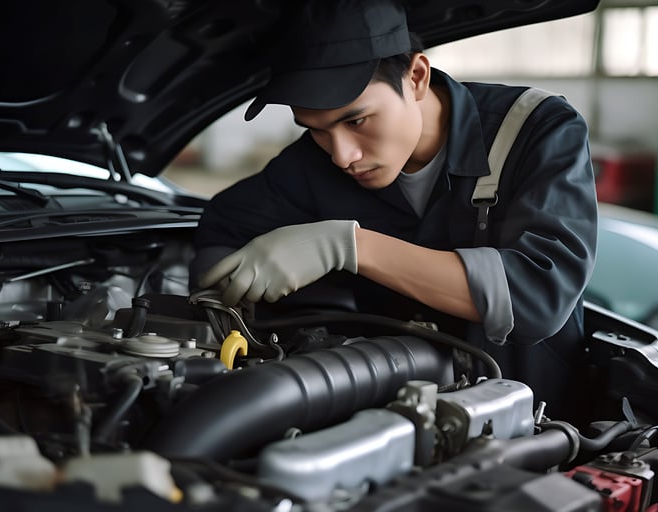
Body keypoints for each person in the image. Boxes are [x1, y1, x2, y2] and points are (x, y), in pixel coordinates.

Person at [192, 0, 597, 421]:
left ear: (416, 77)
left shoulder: (535, 131)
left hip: (533, 427)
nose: (341, 156)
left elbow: (537, 296)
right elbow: (225, 226)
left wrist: (348, 247)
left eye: (357, 121)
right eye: (316, 130)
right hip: (386, 419)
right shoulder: (310, 165)